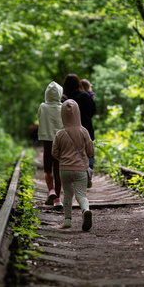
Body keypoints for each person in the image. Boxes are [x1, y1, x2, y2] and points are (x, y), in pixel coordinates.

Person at [52, 99, 95, 231]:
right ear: (78, 113)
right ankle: (85, 210)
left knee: (67, 194)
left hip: (64, 170)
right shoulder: (83, 131)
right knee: (81, 195)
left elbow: (54, 152)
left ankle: (67, 221)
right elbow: (90, 151)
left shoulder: (60, 133)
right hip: (80, 170)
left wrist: (63, 159)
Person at [62, 74, 96, 187]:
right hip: (86, 129)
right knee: (88, 152)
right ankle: (88, 172)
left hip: (69, 131)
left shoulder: (64, 99)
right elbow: (93, 112)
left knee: (72, 153)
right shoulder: (85, 96)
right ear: (79, 83)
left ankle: (74, 177)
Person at [37, 81, 64, 209]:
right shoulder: (63, 107)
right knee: (58, 170)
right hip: (60, 142)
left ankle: (51, 190)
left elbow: (39, 118)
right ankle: (58, 200)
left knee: (47, 169)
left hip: (47, 141)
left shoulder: (43, 106)